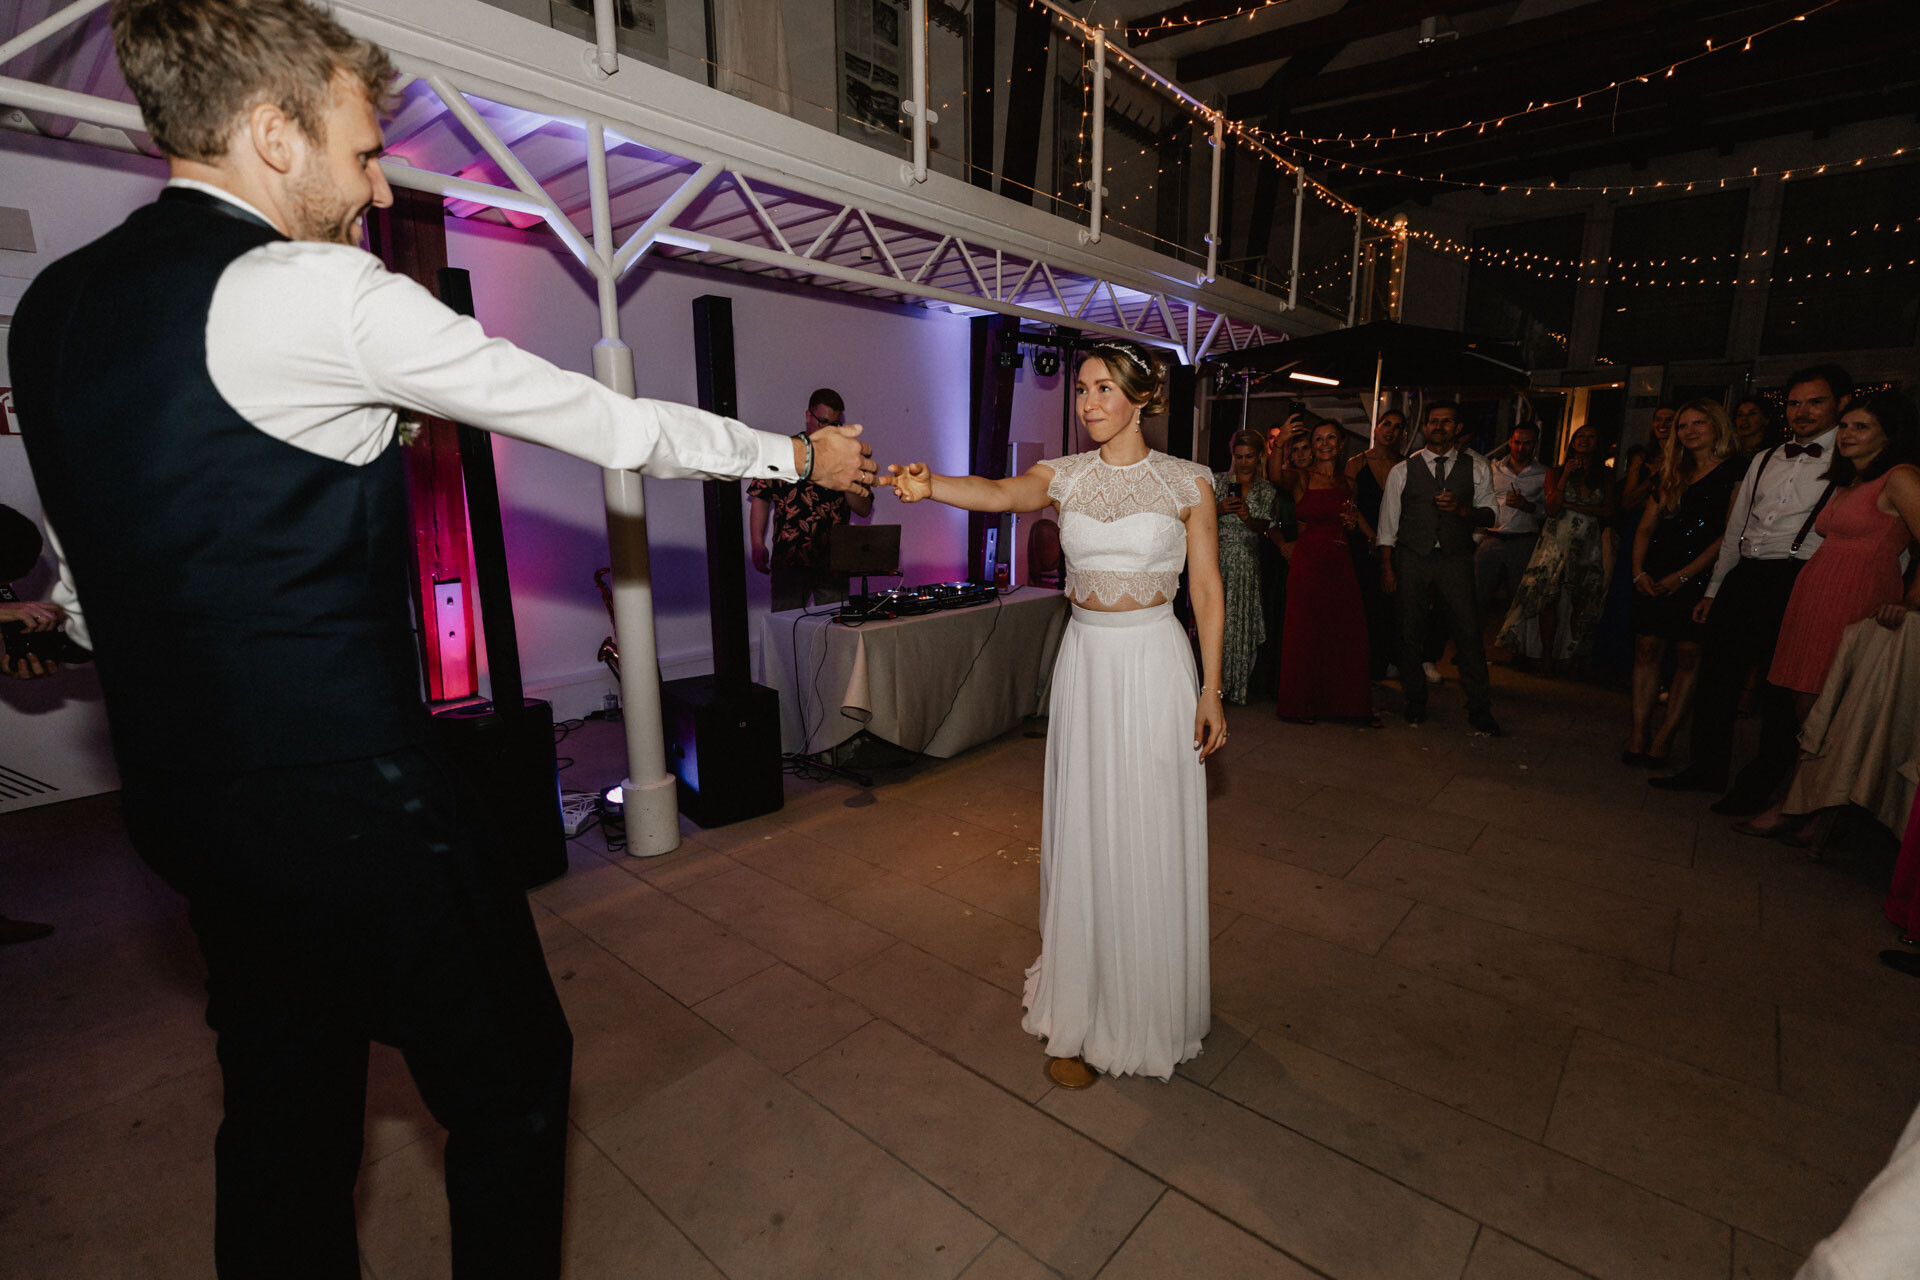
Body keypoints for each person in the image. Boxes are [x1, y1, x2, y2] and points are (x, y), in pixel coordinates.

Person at [8, 3, 878, 1275]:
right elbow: (600, 420)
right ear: (269, 131)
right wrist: (796, 454)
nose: (378, 184)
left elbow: (99, 572)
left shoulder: (55, 311)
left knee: (281, 1112)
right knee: (515, 1081)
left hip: (185, 804)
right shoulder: (316, 291)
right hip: (349, 800)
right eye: (362, 151)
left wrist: (71, 627)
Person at [881, 338, 1224, 1084]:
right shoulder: (1063, 477)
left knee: (1144, 823)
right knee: (1089, 823)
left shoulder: (1189, 482)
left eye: (1103, 388)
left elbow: (1206, 588)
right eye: (1081, 390)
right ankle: (1086, 994)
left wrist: (1212, 687)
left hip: (1155, 663)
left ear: (1142, 398)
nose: (1089, 403)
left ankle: (1147, 1002)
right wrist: (931, 483)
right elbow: (999, 492)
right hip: (1089, 665)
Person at [1651, 366, 1850, 810]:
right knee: (1717, 676)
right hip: (1747, 574)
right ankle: (1706, 768)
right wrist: (1714, 589)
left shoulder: (1850, 459)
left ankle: (1759, 786)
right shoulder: (1764, 458)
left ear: (1840, 404)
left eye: (1815, 402)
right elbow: (1737, 528)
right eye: (1795, 403)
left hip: (1799, 577)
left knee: (1778, 691)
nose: (1802, 412)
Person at [1730, 390, 1920, 839]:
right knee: (1805, 704)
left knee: (1824, 705)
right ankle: (1814, 805)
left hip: (1855, 594)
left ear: (1890, 436)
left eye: (1862, 427)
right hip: (1814, 593)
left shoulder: (1901, 476)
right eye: (1847, 426)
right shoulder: (1847, 480)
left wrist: (1912, 600)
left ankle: (1798, 804)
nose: (1848, 435)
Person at [1622, 401, 1747, 768]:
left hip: (1702, 574)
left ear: (1717, 426)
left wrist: (1685, 575)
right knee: (1646, 648)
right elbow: (1646, 527)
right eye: (1682, 425)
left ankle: (1664, 737)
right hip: (1655, 571)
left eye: (1698, 423)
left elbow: (1729, 533)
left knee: (1688, 655)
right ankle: (1639, 732)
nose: (1689, 431)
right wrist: (1638, 572)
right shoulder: (1671, 471)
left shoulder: (1736, 470)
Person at [1376, 401, 1503, 735]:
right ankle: (1415, 700)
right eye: (1433, 422)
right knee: (1408, 631)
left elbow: (1491, 515)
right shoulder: (1404, 470)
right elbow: (1387, 525)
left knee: (1468, 631)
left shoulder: (1476, 466)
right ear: (1424, 428)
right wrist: (1387, 567)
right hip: (1412, 556)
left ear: (1456, 427)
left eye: (1446, 422)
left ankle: (1479, 707)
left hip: (1454, 558)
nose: (1438, 427)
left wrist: (1463, 511)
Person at [1274, 419, 1375, 724]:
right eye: (1319, 439)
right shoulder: (1302, 477)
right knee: (1304, 633)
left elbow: (1354, 521)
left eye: (1331, 438)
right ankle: (1301, 706)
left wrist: (1354, 525)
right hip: (1307, 563)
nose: (1325, 443)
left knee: (1344, 633)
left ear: (1342, 443)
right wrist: (1281, 443)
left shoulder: (1350, 485)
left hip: (1339, 562)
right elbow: (1275, 475)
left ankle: (1344, 706)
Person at [1498, 424, 1616, 673]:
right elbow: (1552, 508)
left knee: (1580, 597)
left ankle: (1572, 655)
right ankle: (1546, 656)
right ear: (1572, 443)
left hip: (1587, 541)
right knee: (1547, 596)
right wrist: (1565, 478)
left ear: (1598, 443)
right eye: (1580, 436)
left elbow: (1608, 510)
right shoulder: (1555, 472)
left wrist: (1575, 508)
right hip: (1556, 540)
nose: (1584, 440)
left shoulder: (1604, 476)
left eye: (1590, 436)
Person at [749, 387, 874, 611]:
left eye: (834, 424)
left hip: (833, 563)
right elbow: (761, 496)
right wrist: (757, 543)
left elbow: (864, 509)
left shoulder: (847, 456)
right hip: (790, 560)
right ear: (808, 416)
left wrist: (845, 479)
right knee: (787, 631)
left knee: (836, 633)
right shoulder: (785, 450)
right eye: (822, 421)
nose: (827, 429)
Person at [1212, 429, 1278, 705]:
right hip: (1218, 560)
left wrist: (1248, 517)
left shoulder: (1266, 489)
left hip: (1248, 563)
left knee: (1242, 625)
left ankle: (1237, 686)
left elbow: (1265, 527)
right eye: (1238, 456)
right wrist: (1218, 509)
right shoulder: (1217, 482)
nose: (1243, 462)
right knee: (1217, 624)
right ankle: (1214, 686)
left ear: (1259, 456)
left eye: (1249, 456)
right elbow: (1198, 517)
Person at [1476, 423, 1551, 664]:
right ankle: (1470, 651)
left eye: (1527, 443)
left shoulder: (1543, 473)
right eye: (1517, 442)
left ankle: (1520, 653)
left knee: (1520, 599)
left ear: (1534, 444)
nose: (1521, 447)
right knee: (1478, 597)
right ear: (1510, 441)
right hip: (1492, 538)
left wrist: (1528, 506)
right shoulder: (1493, 469)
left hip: (1522, 541)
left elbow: (1549, 511)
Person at [1346, 410, 1405, 678]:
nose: (1390, 430)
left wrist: (1387, 542)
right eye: (1386, 424)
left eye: (1397, 426)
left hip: (1395, 541)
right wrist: (1371, 536)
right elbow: (1351, 505)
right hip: (1362, 538)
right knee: (1363, 601)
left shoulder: (1406, 465)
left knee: (1391, 604)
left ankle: (1387, 659)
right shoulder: (1356, 463)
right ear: (1376, 428)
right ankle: (1362, 662)